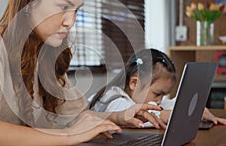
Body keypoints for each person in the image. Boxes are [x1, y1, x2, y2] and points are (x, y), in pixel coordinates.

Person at [0, 0, 166, 146]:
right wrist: (66, 136)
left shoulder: (46, 53)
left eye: (76, 10)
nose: (71, 21)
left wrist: (119, 116)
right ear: (30, 1)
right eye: (63, 7)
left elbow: (74, 117)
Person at [89, 48, 226, 126]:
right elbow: (146, 117)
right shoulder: (116, 102)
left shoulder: (136, 97)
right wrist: (188, 114)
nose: (160, 100)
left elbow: (164, 105)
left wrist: (196, 109)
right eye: (157, 94)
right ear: (134, 84)